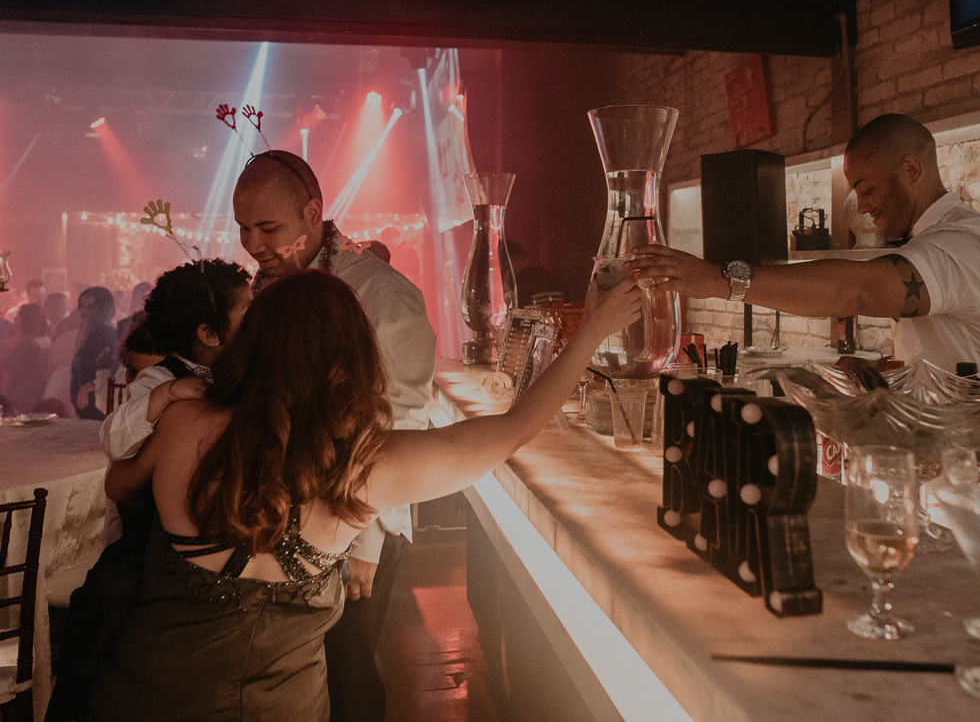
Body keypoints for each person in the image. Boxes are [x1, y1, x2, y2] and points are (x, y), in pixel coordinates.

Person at [86, 269, 640, 721]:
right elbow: (515, 427)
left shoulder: (186, 424)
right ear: (353, 355)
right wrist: (591, 330)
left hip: (144, 698)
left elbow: (120, 485)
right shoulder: (367, 467)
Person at [630, 113, 980, 511]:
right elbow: (952, 353)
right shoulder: (932, 243)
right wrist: (882, 376)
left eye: (866, 188)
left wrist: (720, 281)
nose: (862, 206)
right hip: (976, 465)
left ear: (911, 170)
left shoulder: (966, 243)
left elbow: (860, 290)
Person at [232, 149, 435, 722]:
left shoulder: (380, 294)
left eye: (268, 228)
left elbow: (397, 423)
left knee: (345, 673)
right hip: (283, 510)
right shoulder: (267, 288)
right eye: (244, 228)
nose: (253, 243)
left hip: (355, 520)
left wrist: (364, 545)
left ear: (312, 213)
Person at [47, 260, 252, 722]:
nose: (258, 318)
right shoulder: (160, 379)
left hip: (220, 521)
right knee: (109, 587)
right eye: (248, 310)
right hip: (155, 530)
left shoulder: (249, 372)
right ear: (209, 333)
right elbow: (115, 439)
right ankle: (74, 690)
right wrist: (168, 396)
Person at [70, 286, 117, 421]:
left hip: (98, 409)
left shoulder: (105, 334)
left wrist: (87, 388)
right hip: (89, 408)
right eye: (81, 306)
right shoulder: (89, 333)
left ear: (103, 309)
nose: (84, 311)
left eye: (90, 307)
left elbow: (114, 371)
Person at [0, 303, 51, 414]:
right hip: (40, 393)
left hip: (22, 396)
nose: (15, 318)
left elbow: (15, 375)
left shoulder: (25, 344)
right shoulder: (46, 340)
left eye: (18, 316)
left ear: (26, 319)